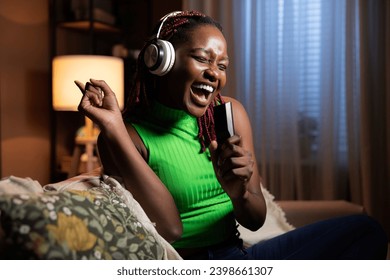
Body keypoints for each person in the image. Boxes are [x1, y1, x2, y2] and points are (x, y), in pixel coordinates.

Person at [75, 10, 388, 260]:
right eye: (202, 59)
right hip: (190, 265)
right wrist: (114, 127)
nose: (215, 74)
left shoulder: (231, 114)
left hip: (239, 257)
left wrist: (239, 192)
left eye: (222, 65)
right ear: (160, 61)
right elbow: (169, 229)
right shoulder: (125, 136)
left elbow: (255, 219)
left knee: (366, 231)